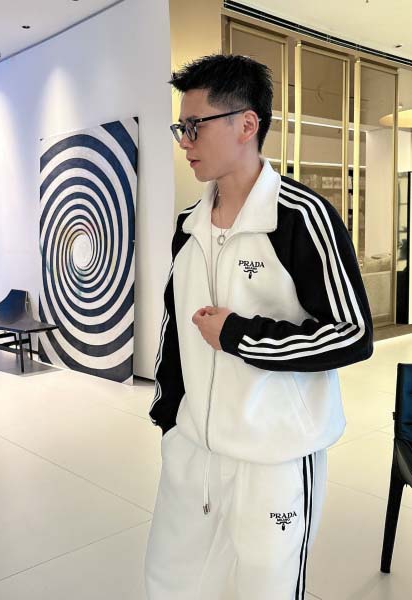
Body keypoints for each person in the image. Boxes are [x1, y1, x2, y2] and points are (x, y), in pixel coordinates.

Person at [144, 54, 373, 600]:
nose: (185, 141)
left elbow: (352, 332)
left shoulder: (300, 217)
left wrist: (238, 335)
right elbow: (174, 328)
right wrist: (169, 417)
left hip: (276, 457)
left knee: (266, 590)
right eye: (181, 128)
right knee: (170, 583)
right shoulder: (188, 225)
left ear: (246, 124)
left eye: (195, 126)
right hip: (194, 451)